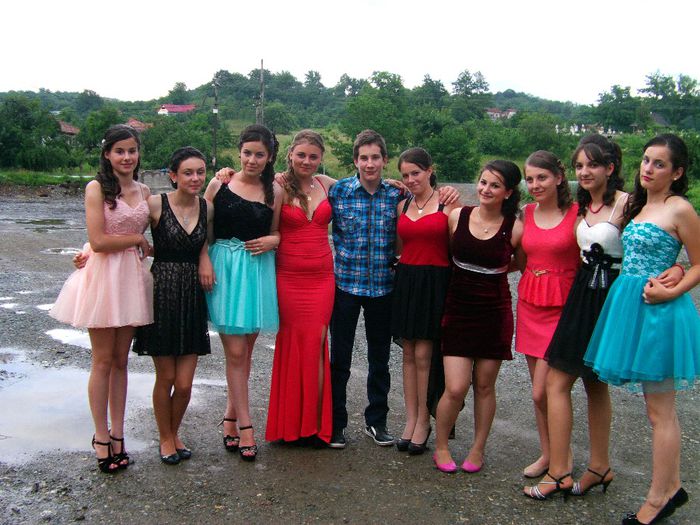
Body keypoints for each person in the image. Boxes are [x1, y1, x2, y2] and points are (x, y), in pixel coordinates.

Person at [584, 134, 700, 524]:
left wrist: (675, 285)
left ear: (677, 172)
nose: (648, 168)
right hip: (631, 306)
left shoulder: (679, 208)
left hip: (660, 312)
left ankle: (659, 496)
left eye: (659, 163)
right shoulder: (639, 203)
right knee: (657, 409)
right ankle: (672, 486)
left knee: (659, 411)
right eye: (646, 160)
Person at [328, 129, 458, 449]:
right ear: (355, 161)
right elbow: (308, 184)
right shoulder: (339, 191)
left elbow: (426, 204)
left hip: (384, 287)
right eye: (363, 158)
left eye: (375, 157)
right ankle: (336, 423)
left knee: (380, 359)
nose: (369, 164)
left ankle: (377, 421)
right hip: (346, 285)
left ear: (384, 160)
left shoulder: (397, 195)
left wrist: (449, 191)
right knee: (340, 358)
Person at [50, 124, 153, 473]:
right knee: (103, 361)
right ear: (107, 154)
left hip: (131, 279)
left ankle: (119, 434)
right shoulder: (96, 188)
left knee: (122, 361)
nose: (127, 157)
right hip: (104, 276)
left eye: (132, 150)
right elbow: (98, 240)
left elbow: (156, 232)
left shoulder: (144, 190)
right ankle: (100, 436)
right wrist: (135, 241)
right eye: (119, 151)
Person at [433, 160, 523, 473]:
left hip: (494, 313)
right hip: (458, 309)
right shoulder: (457, 216)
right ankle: (441, 446)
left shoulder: (515, 227)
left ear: (508, 192)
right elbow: (446, 252)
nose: (486, 189)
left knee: (484, 387)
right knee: (455, 388)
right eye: (483, 182)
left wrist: (492, 270)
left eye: (495, 185)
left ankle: (478, 449)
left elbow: (520, 263)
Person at [203, 124, 282, 461]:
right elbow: (200, 228)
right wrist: (203, 261)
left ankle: (230, 417)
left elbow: (277, 231)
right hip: (224, 271)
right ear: (239, 152)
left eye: (259, 154)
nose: (252, 160)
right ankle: (247, 426)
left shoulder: (275, 191)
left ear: (269, 157)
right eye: (247, 153)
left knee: (245, 353)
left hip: (256, 273)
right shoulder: (219, 184)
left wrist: (274, 240)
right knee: (235, 353)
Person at [132, 146, 214, 465]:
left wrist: (204, 258)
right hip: (162, 293)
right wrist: (89, 254)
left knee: (184, 383)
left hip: (193, 295)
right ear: (173, 176)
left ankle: (174, 431)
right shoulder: (155, 204)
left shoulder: (206, 207)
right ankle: (166, 437)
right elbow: (127, 233)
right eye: (188, 173)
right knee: (165, 377)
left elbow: (206, 242)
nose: (195, 178)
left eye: (200, 172)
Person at [265, 130, 338, 446]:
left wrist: (392, 183)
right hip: (289, 278)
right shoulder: (277, 186)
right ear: (290, 155)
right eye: (301, 155)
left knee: (316, 345)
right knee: (293, 344)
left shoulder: (327, 184)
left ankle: (314, 427)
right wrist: (223, 175)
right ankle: (290, 426)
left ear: (320, 158)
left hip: (322, 279)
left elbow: (364, 183)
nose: (307, 161)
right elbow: (270, 230)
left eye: (313, 156)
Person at [390, 147, 460, 455]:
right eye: (405, 175)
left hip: (435, 282)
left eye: (415, 173)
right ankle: (410, 419)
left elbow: (457, 249)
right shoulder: (402, 205)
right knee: (407, 353)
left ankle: (424, 421)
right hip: (407, 280)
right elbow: (400, 247)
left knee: (425, 356)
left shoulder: (449, 204)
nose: (410, 179)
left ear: (430, 170)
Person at [515, 150, 579, 480]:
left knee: (545, 390)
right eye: (530, 179)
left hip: (563, 309)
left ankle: (562, 455)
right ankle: (548, 453)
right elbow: (520, 258)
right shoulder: (527, 213)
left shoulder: (578, 213)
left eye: (542, 177)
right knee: (537, 393)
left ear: (558, 177)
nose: (535, 184)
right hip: (530, 304)